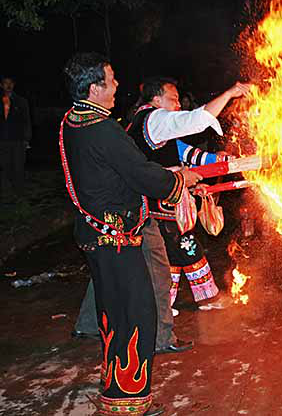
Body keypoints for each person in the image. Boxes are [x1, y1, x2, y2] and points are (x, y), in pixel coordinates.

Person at [61, 52, 202, 415]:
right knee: (135, 316)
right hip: (115, 237)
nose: (117, 86)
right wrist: (178, 181)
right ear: (95, 88)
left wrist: (167, 174)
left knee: (115, 315)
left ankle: (117, 391)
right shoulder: (103, 128)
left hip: (95, 231)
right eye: (111, 80)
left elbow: (114, 170)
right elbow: (138, 173)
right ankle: (127, 402)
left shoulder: (73, 120)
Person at [127, 77, 250, 313]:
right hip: (159, 205)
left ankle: (165, 304)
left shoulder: (152, 124)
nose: (178, 105)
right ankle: (206, 298)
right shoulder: (154, 118)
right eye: (173, 99)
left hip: (160, 204)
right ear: (156, 100)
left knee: (171, 253)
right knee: (186, 246)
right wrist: (229, 94)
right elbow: (195, 121)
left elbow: (185, 153)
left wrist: (218, 160)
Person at [0, 76, 31, 196]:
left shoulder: (21, 101)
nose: (8, 86)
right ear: (1, 85)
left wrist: (26, 139)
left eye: (10, 83)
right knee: (4, 165)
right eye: (5, 83)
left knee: (19, 166)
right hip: (2, 139)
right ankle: (6, 191)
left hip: (18, 139)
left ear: (13, 85)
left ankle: (19, 191)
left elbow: (27, 121)